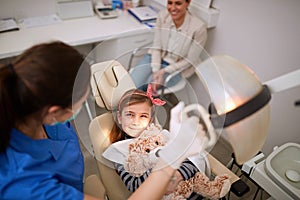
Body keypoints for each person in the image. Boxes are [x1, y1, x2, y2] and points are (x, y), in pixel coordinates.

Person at [0, 41, 205, 200]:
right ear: (55, 111)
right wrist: (171, 160)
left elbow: (192, 166)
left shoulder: (45, 116)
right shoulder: (22, 183)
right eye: (81, 101)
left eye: (143, 116)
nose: (136, 122)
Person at [103, 84, 208, 199]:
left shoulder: (161, 136)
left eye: (143, 116)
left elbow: (191, 158)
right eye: (130, 114)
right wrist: (165, 168)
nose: (135, 122)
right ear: (119, 117)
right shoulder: (119, 150)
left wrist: (180, 174)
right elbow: (134, 185)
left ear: (150, 119)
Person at [130, 0, 207, 93]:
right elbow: (157, 47)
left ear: (188, 3)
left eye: (178, 3)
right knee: (131, 84)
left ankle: (136, 106)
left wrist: (163, 71)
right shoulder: (162, 16)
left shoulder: (198, 28)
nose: (173, 8)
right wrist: (156, 70)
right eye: (170, 3)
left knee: (146, 89)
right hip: (156, 57)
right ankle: (124, 106)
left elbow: (189, 60)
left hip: (177, 67)